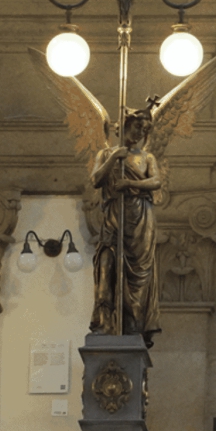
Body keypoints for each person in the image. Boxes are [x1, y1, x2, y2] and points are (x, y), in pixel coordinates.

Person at [90, 110, 163, 345]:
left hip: (140, 218)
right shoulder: (106, 154)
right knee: (107, 265)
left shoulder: (146, 158)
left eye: (144, 130)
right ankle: (105, 322)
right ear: (125, 126)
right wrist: (113, 158)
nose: (140, 134)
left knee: (138, 274)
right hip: (114, 216)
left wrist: (129, 183)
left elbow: (156, 181)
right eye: (137, 128)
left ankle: (133, 323)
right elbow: (95, 180)